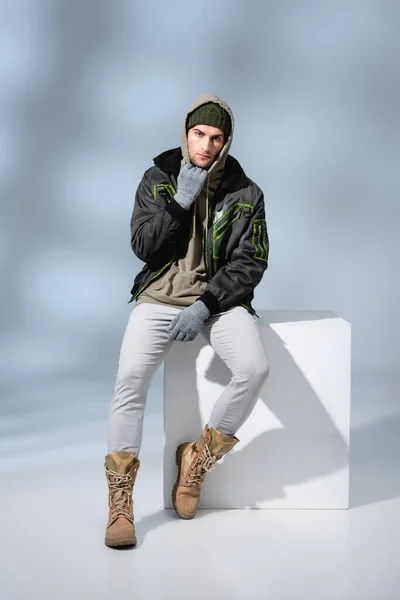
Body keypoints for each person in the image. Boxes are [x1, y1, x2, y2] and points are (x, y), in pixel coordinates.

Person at [104, 93, 270, 548]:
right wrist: (181, 201)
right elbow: (144, 247)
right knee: (130, 379)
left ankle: (196, 458)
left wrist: (206, 304)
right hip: (159, 296)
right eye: (199, 134)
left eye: (216, 137)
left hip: (216, 302)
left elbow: (251, 261)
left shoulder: (246, 192)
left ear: (226, 141)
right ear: (186, 133)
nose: (206, 145)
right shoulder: (157, 178)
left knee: (254, 369)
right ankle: (121, 504)